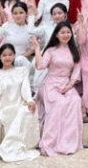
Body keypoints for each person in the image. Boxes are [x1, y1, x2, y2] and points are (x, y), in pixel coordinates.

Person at [31, 23, 83, 157]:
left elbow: (76, 71)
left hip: (66, 83)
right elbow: (40, 66)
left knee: (75, 101)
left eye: (68, 32)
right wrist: (37, 49)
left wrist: (70, 85)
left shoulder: (74, 51)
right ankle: (50, 142)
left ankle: (69, 141)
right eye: (62, 32)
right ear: (56, 35)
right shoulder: (51, 50)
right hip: (50, 84)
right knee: (58, 103)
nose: (66, 35)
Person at [0, 2, 42, 68]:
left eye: (21, 13)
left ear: (26, 14)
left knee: (19, 60)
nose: (18, 16)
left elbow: (33, 48)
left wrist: (21, 56)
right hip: (7, 60)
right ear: (12, 15)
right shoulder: (7, 26)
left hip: (22, 62)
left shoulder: (30, 29)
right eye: (15, 13)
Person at [32, 3, 70, 92]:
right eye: (54, 14)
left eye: (59, 13)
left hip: (62, 59)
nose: (57, 16)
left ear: (65, 14)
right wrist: (31, 16)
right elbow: (30, 31)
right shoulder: (47, 27)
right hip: (46, 56)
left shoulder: (69, 30)